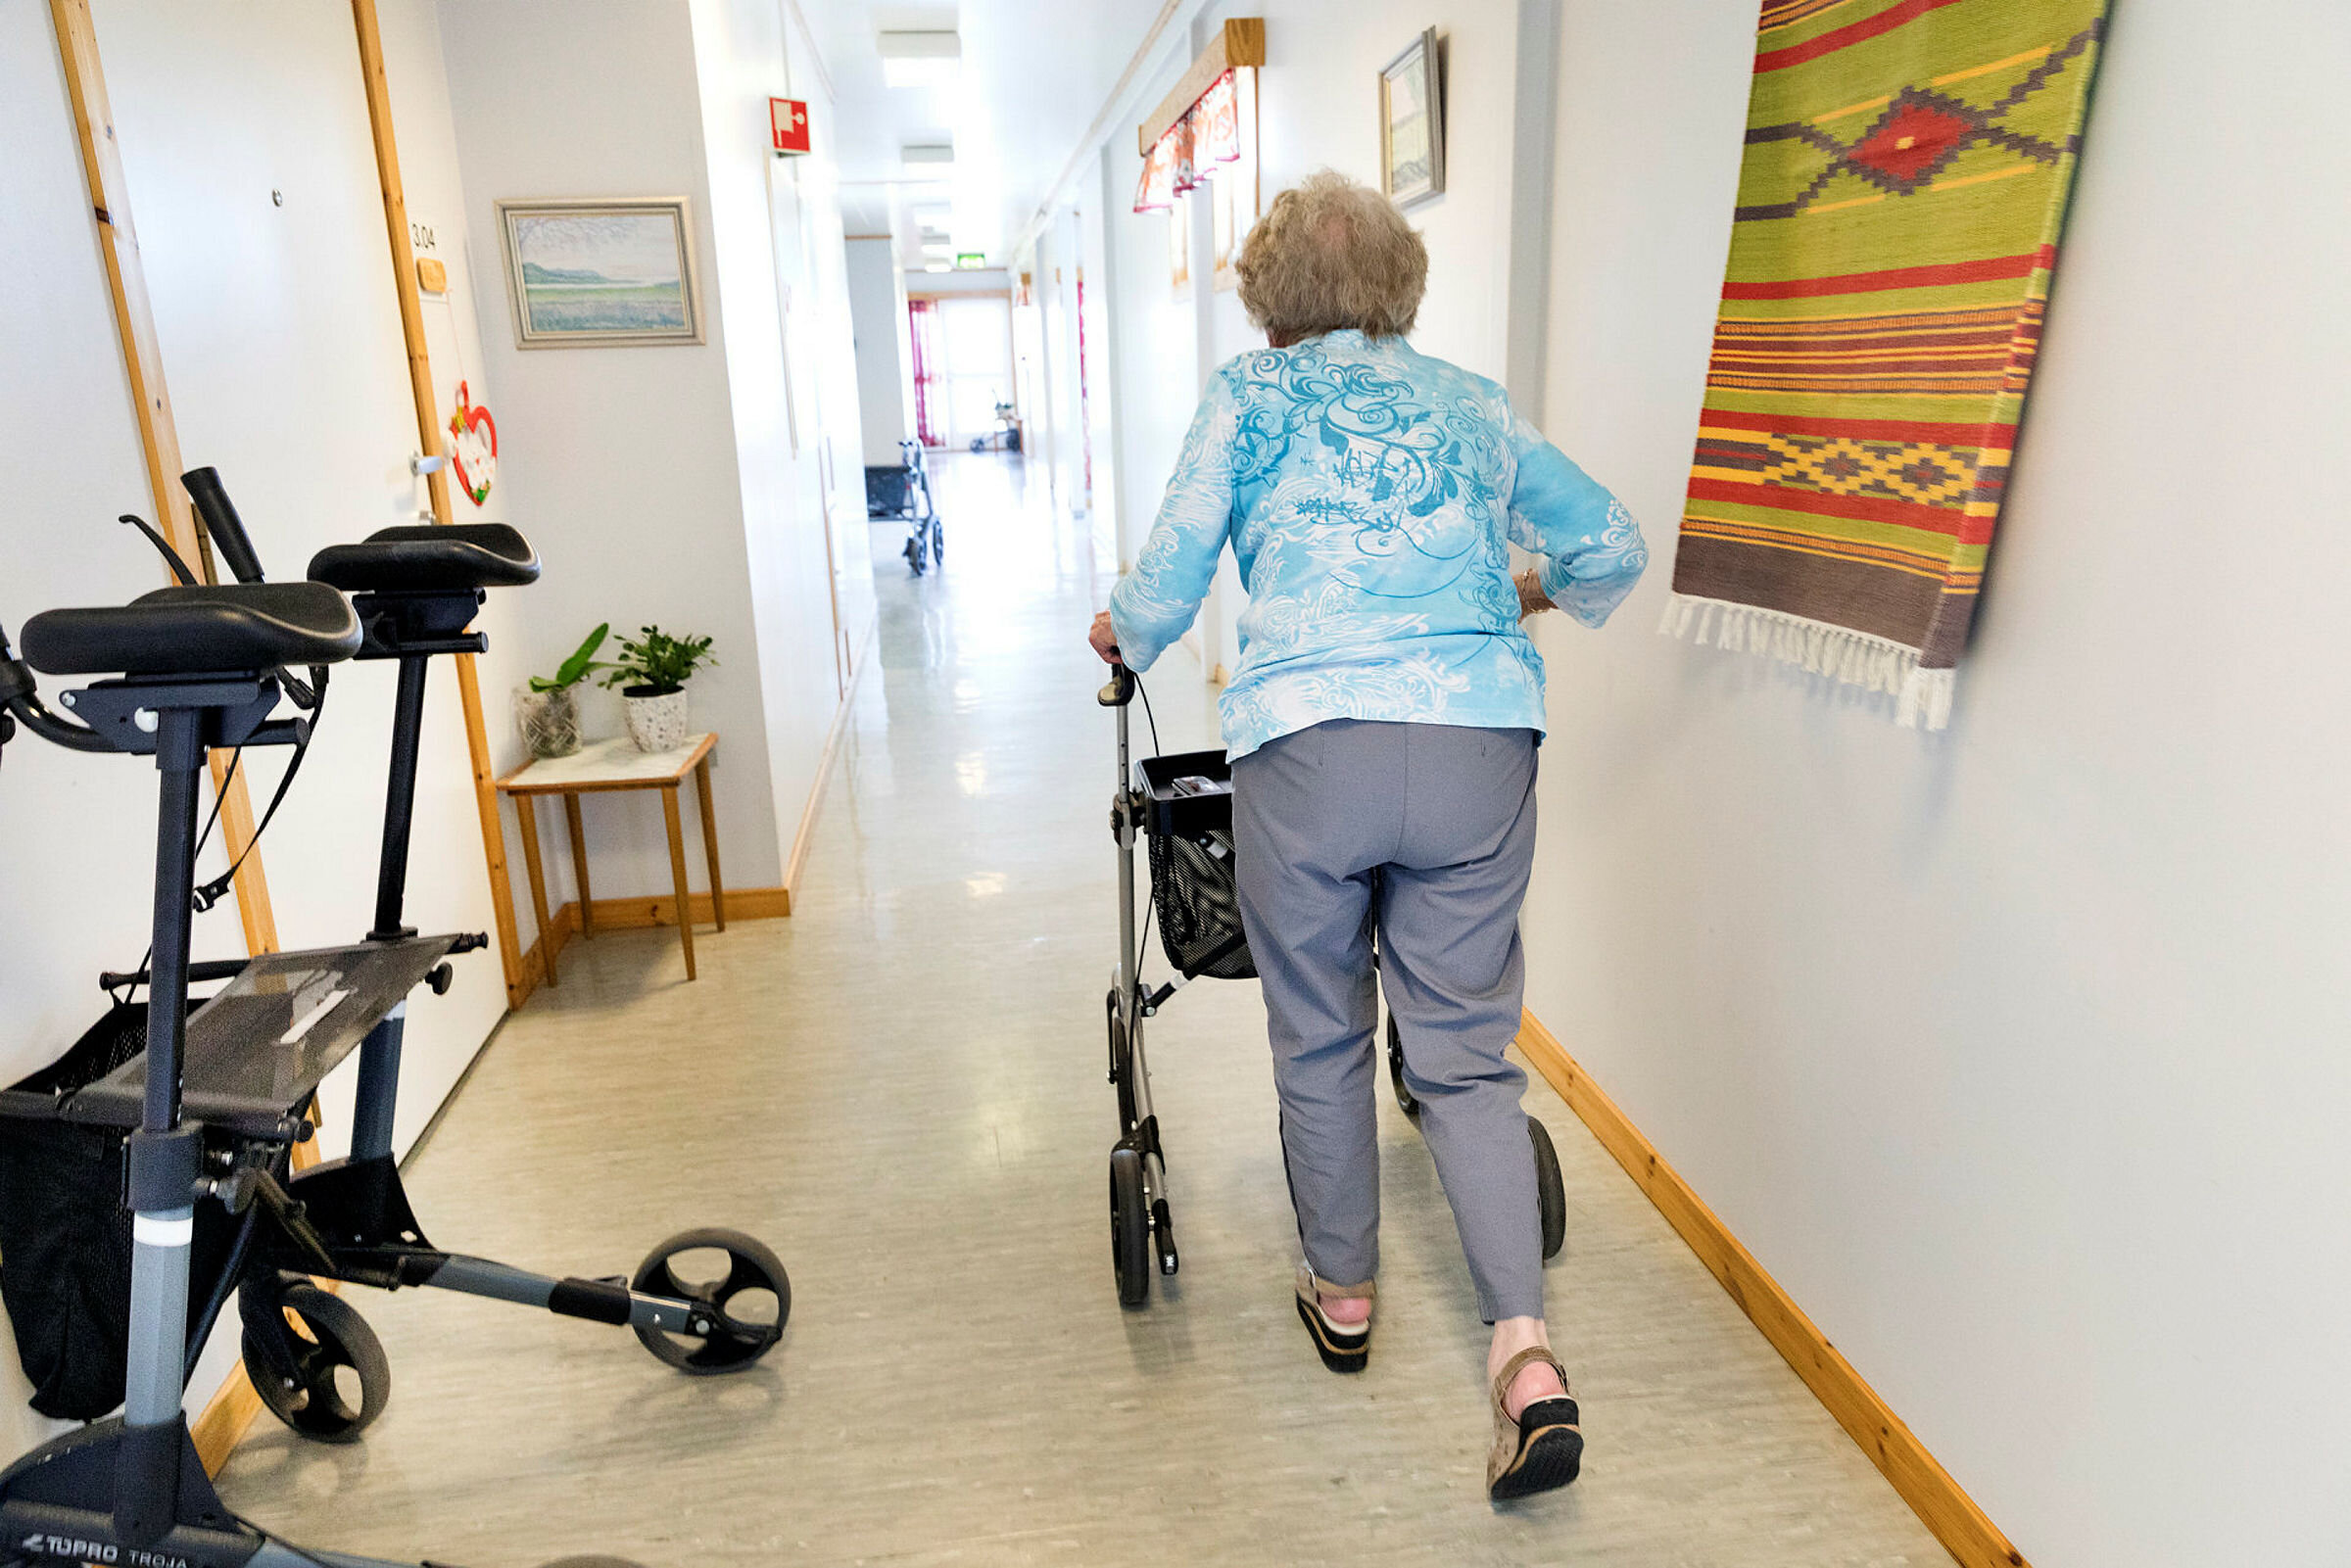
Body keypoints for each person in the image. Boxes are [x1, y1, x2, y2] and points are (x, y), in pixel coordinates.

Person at [1086, 170, 1646, 1500]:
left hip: (1310, 748)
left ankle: (1343, 1293)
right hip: (1474, 744)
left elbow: (1165, 578)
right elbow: (1611, 545)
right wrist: (1518, 592)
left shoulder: (1250, 396)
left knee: (1322, 1031)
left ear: (1271, 295)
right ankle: (1526, 1356)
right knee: (1465, 1053)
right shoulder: (1468, 403)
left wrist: (1125, 629)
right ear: (1401, 283)